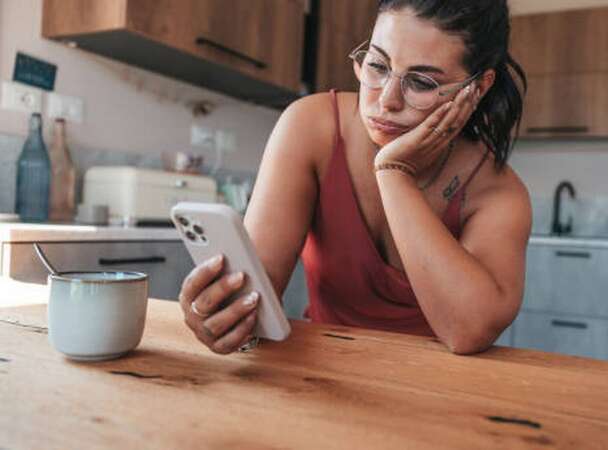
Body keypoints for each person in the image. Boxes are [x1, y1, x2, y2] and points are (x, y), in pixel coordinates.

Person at [178, 0, 531, 355]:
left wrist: (394, 173)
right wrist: (223, 314)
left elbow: (468, 331)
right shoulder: (312, 126)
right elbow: (256, 295)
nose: (387, 100)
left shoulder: (498, 193)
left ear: (479, 86)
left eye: (422, 82)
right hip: (321, 375)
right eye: (377, 65)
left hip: (436, 387)